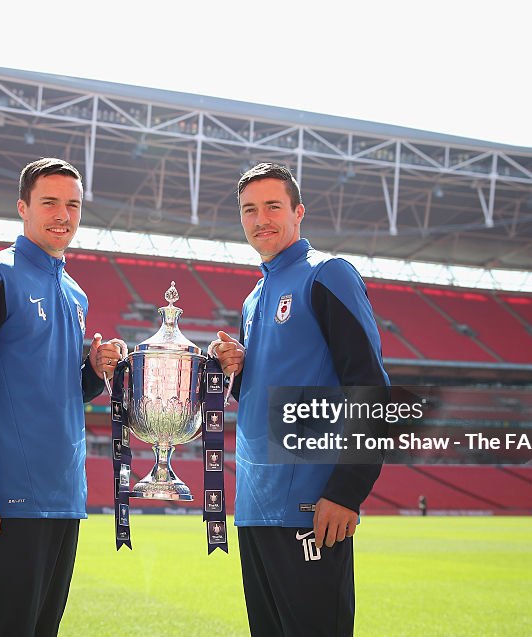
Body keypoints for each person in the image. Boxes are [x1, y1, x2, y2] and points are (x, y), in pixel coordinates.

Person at [0, 157, 126, 636]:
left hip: (63, 497)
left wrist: (95, 372)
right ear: (23, 207)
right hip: (6, 499)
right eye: (50, 203)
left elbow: (60, 391)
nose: (63, 214)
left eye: (73, 204)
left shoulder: (76, 293)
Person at [211, 162, 389, 636]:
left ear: (298, 212)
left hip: (313, 506)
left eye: (273, 206)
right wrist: (240, 369)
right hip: (254, 506)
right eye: (249, 209)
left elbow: (370, 386)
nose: (260, 218)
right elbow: (269, 392)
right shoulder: (253, 298)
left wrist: (345, 492)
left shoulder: (328, 275)